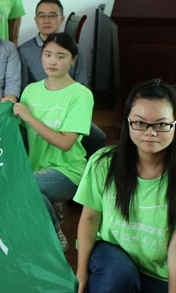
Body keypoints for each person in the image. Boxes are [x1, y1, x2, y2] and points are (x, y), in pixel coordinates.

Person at [74, 79, 176, 293]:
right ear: (128, 122)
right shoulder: (103, 162)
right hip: (112, 258)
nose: (150, 132)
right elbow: (90, 217)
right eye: (140, 123)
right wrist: (81, 272)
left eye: (161, 124)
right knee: (118, 274)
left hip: (159, 274)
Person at [12, 33, 94, 252]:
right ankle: (49, 206)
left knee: (24, 186)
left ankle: (55, 234)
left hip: (68, 170)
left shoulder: (81, 95)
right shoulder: (31, 90)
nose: (52, 61)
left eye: (60, 56)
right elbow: (21, 131)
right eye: (47, 54)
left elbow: (66, 143)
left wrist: (29, 117)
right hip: (36, 168)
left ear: (73, 60)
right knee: (19, 185)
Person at [19, 0, 106, 157]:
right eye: (42, 16)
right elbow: (24, 87)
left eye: (52, 16)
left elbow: (81, 83)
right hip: (39, 108)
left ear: (62, 19)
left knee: (98, 137)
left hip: (67, 106)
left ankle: (87, 168)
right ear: (35, 19)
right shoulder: (24, 50)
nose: (46, 20)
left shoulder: (74, 49)